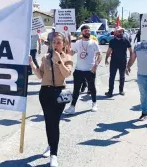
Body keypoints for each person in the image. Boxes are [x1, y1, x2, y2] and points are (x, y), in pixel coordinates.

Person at [29, 32, 73, 167]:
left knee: (54, 123)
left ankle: (54, 154)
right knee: (48, 122)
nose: (56, 44)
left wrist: (59, 60)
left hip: (59, 92)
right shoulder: (46, 57)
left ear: (64, 44)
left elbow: (67, 74)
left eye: (59, 42)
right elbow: (40, 76)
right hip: (45, 93)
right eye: (54, 42)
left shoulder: (67, 57)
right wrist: (32, 64)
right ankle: (50, 145)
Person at [64, 25, 102, 115]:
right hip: (78, 70)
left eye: (89, 31)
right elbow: (72, 53)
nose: (88, 32)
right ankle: (72, 107)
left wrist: (95, 65)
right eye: (85, 31)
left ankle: (94, 104)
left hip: (90, 70)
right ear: (82, 32)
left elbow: (99, 55)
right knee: (76, 89)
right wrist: (67, 48)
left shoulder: (93, 42)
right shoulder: (77, 43)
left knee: (92, 88)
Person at [105, 27, 133, 97]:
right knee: (112, 77)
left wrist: (130, 61)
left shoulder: (126, 40)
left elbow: (130, 51)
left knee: (122, 76)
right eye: (119, 32)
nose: (121, 33)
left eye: (122, 32)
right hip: (114, 61)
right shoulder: (112, 41)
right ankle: (110, 91)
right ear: (115, 32)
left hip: (123, 61)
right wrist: (106, 58)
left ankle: (121, 90)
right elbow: (109, 50)